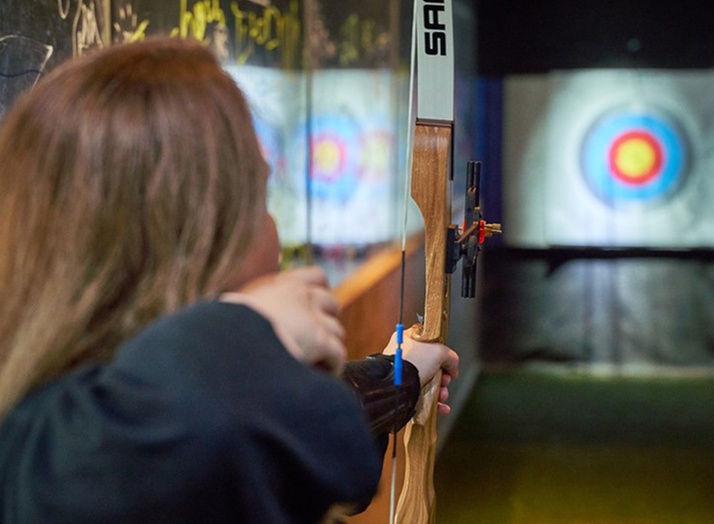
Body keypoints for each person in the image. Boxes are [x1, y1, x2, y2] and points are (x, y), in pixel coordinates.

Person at [0, 37, 459, 523]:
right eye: (259, 201)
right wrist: (248, 325)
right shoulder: (58, 453)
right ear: (193, 237)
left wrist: (399, 373)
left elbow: (298, 425)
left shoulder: (172, 408)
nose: (274, 232)